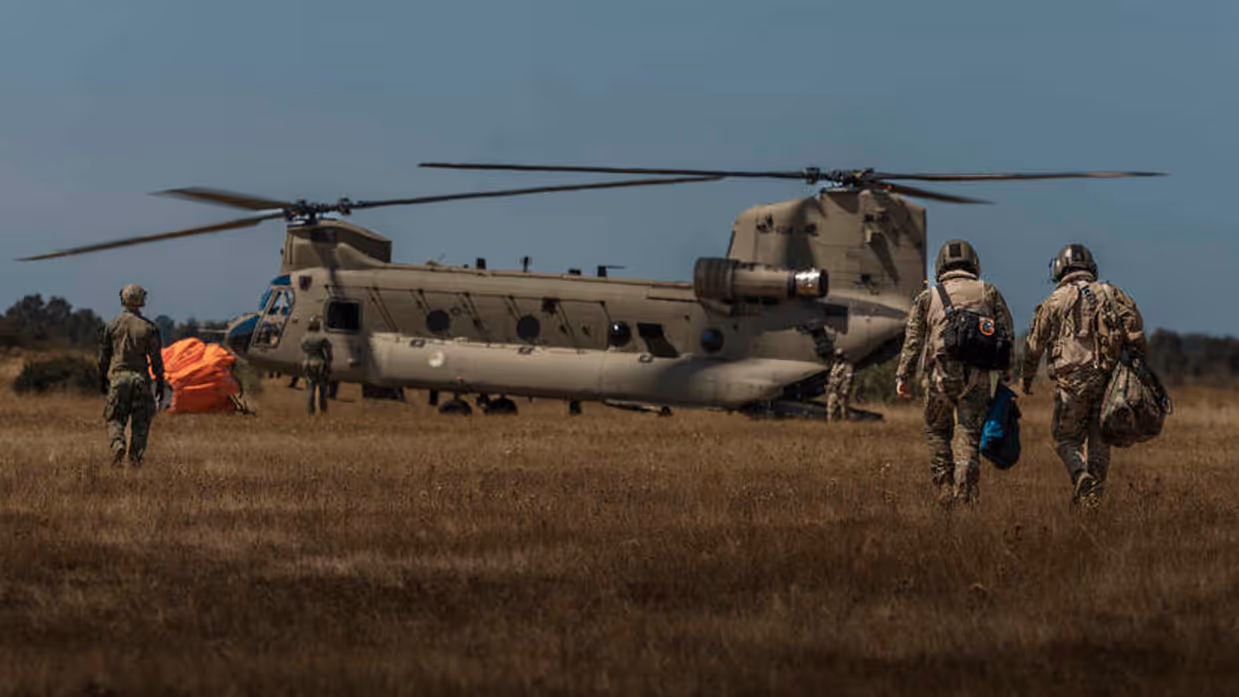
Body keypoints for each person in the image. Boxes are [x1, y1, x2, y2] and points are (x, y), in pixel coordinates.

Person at [1021, 243, 1146, 508]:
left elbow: (1034, 346)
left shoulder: (1054, 301)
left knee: (1066, 440)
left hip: (1071, 384)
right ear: (1090, 267)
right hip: (1109, 383)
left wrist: (1027, 378)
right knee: (1100, 442)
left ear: (1060, 268)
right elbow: (1136, 330)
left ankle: (1080, 475)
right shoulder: (1112, 293)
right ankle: (1092, 502)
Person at [895, 240, 1014, 505]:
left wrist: (902, 376)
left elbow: (912, 341)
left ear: (941, 265)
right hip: (978, 376)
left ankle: (944, 487)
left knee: (937, 432)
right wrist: (1007, 371)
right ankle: (964, 490)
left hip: (939, 375)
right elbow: (1006, 334)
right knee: (969, 434)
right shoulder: (989, 291)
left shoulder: (928, 297)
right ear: (974, 263)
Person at [98, 284, 165, 468]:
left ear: (123, 299)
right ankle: (135, 461)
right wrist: (159, 382)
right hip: (141, 381)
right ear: (142, 300)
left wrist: (103, 378)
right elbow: (156, 360)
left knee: (114, 419)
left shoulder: (112, 326)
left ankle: (118, 444)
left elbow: (103, 357)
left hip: (118, 379)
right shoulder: (150, 328)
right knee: (140, 424)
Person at [300, 315, 333, 415]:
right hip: (320, 363)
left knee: (311, 388)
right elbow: (329, 351)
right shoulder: (322, 338)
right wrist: (329, 363)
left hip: (308, 363)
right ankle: (323, 410)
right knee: (322, 388)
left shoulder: (304, 338)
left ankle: (311, 411)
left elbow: (303, 349)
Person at [826, 348, 854, 422]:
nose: (838, 358)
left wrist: (845, 389)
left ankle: (845, 423)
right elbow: (831, 376)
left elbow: (848, 379)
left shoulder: (847, 367)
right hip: (833, 390)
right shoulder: (835, 366)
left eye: (839, 356)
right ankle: (831, 423)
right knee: (830, 408)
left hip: (842, 391)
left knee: (844, 409)